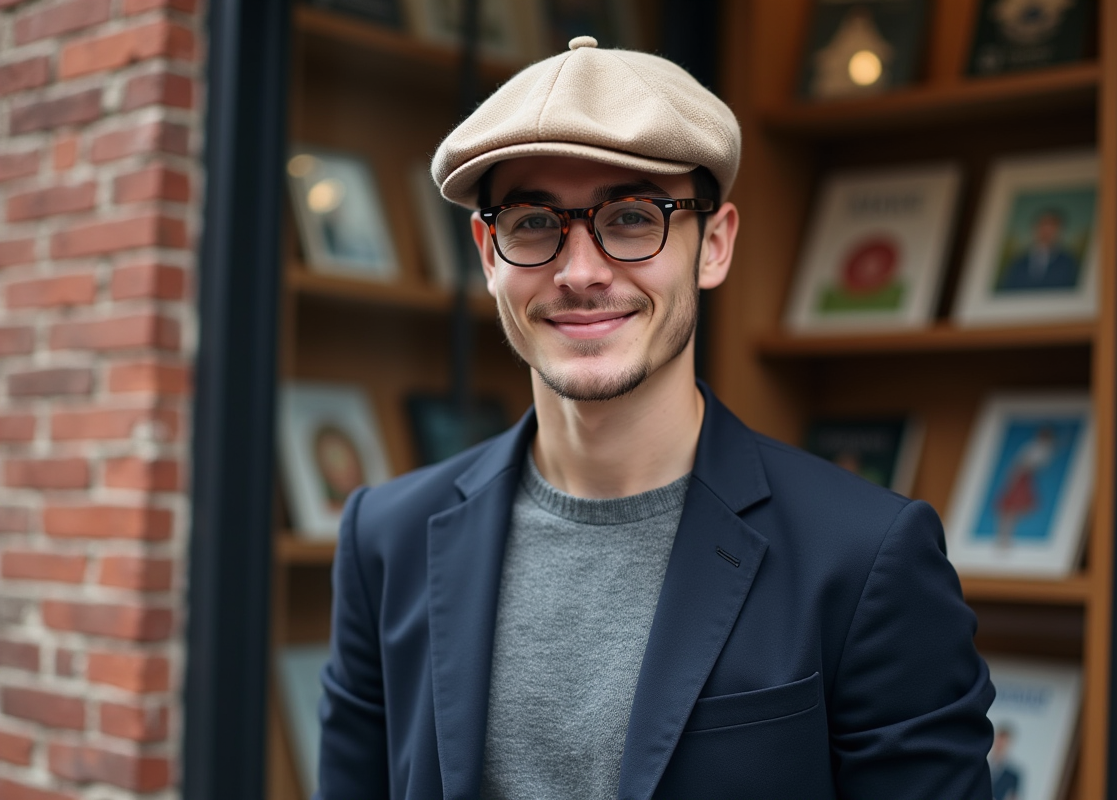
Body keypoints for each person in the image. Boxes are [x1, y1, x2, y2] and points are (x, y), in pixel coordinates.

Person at [316, 36, 995, 799]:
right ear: (487, 253)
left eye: (634, 216)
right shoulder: (387, 539)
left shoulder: (868, 560)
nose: (581, 273)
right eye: (535, 222)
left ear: (715, 246)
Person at [995, 208, 1081, 292]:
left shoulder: (1068, 262)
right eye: (1043, 225)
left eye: (1052, 227)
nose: (1046, 232)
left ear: (1059, 231)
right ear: (1034, 228)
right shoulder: (1018, 261)